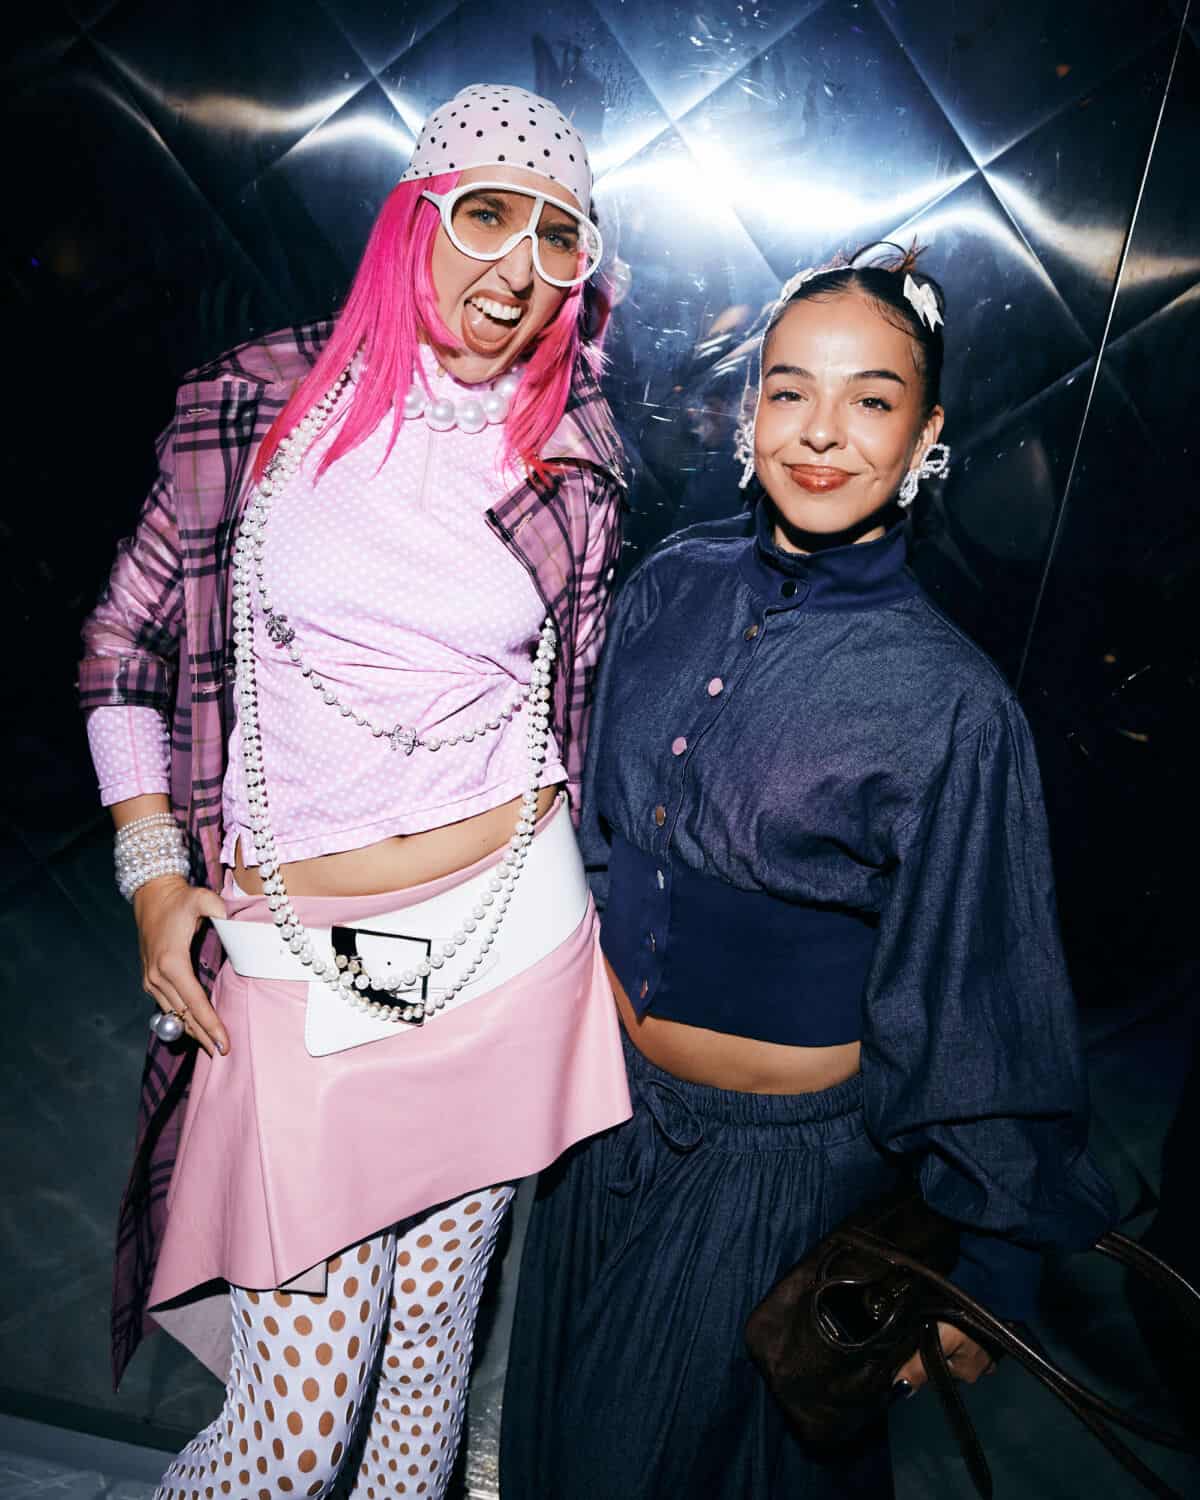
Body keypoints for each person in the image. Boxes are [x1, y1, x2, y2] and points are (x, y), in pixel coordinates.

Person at [78, 83, 632, 1500]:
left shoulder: (572, 456)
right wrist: (153, 873)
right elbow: (122, 650)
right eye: (486, 215)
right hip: (306, 965)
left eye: (557, 238)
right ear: (411, 218)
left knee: (429, 1365)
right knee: (293, 1438)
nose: (516, 265)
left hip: (508, 944)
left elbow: (583, 701)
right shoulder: (255, 403)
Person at [499, 246, 1118, 1498]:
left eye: (870, 399)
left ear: (927, 434)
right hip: (597, 1123)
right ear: (749, 410)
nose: (821, 431)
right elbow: (598, 838)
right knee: (551, 1453)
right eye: (789, 390)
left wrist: (990, 1273)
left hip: (769, 1177)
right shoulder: (670, 586)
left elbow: (981, 999)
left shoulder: (951, 704)